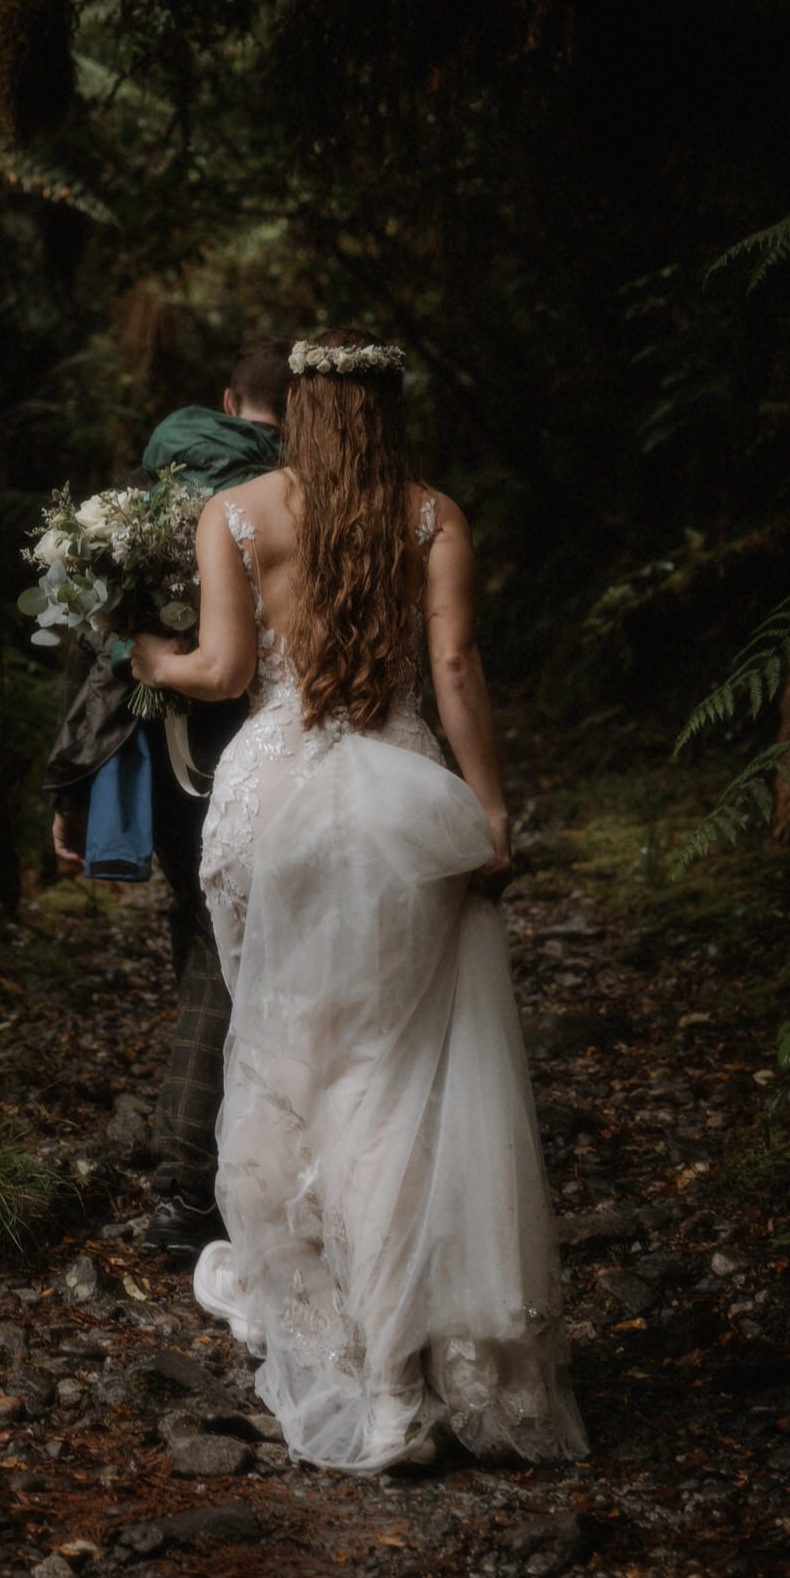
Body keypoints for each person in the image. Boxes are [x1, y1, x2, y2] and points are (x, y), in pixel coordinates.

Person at [131, 328, 585, 1473]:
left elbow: (227, 673)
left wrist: (151, 663)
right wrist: (488, 811)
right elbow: (453, 669)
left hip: (270, 811)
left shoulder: (236, 513)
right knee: (393, 1076)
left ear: (293, 408)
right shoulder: (432, 516)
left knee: (289, 1061)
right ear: (385, 412)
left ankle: (350, 1349)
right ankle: (402, 1375)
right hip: (399, 808)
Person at [44, 339, 290, 1259]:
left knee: (205, 939)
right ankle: (188, 1184)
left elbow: (92, 643)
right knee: (234, 962)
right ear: (295, 410)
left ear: (228, 398)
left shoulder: (147, 494)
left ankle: (215, 1168)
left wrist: (71, 785)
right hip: (273, 744)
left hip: (172, 753)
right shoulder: (302, 492)